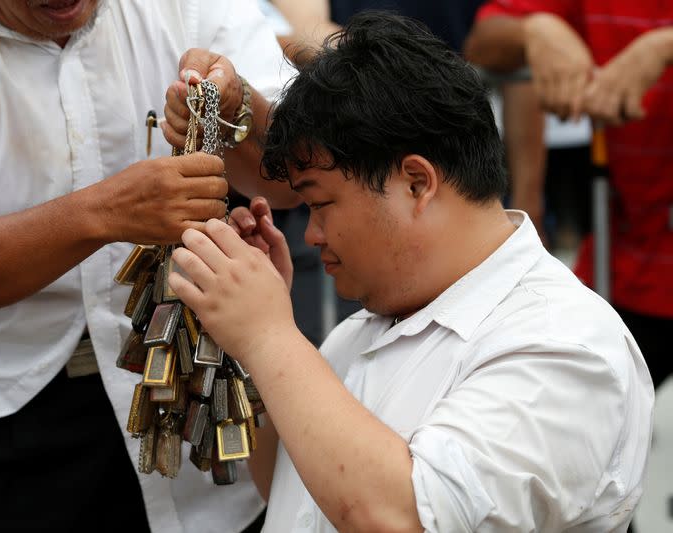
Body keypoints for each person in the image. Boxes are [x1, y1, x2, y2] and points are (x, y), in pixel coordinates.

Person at [167, 12, 654, 532]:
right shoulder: (363, 329)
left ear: (418, 183)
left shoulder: (565, 343)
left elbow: (405, 520)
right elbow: (293, 490)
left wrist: (268, 336)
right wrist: (252, 338)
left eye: (321, 203)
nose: (310, 236)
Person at [0, 1, 298, 532]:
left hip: (192, 411)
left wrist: (237, 109)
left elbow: (292, 178)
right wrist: (107, 211)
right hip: (3, 435)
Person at [465, 1, 673, 391]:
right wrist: (535, 30)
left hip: (634, 260)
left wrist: (662, 47)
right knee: (572, 424)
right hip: (628, 265)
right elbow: (482, 43)